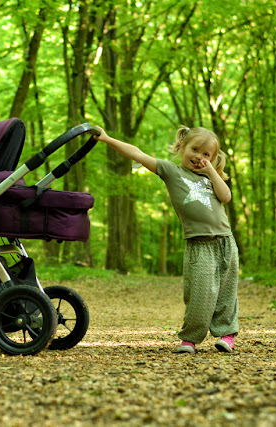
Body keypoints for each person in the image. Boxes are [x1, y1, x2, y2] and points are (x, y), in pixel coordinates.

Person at [93, 125, 239, 354]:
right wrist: (107, 138)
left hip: (225, 242)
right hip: (199, 244)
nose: (199, 157)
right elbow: (137, 154)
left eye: (206, 154)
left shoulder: (212, 178)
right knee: (200, 293)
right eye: (195, 149)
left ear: (212, 159)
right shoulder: (171, 171)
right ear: (182, 147)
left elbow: (226, 196)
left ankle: (227, 334)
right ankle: (190, 339)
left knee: (226, 291)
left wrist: (212, 171)